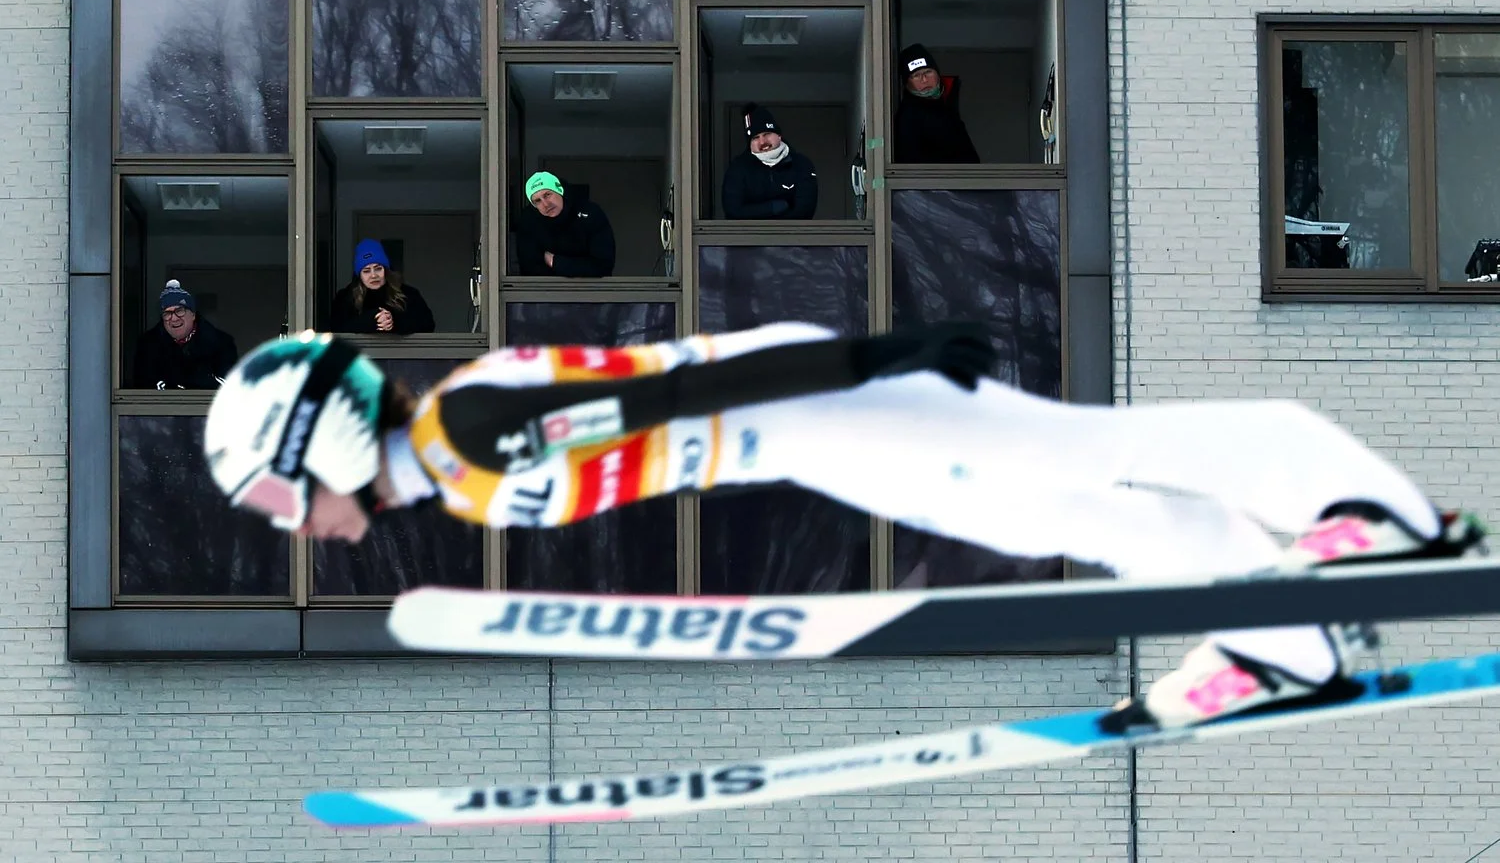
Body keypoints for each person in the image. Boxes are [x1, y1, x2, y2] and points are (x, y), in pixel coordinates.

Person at [200, 322, 1486, 733]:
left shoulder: (472, 432)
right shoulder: (451, 472)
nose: (289, 526)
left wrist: (879, 356)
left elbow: (673, 392)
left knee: (1083, 459)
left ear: (321, 437)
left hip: (816, 405)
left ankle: (1381, 515)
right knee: (1069, 512)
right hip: (809, 444)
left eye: (273, 495)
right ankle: (1283, 644)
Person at [132, 279, 239, 389]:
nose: (173, 318)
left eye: (179, 311)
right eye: (167, 313)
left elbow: (228, 387)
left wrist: (191, 378)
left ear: (193, 315)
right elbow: (142, 387)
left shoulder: (221, 343)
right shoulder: (148, 345)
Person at [721, 104, 818, 220]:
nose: (762, 141)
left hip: (792, 237)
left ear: (779, 135)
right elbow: (733, 211)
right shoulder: (738, 168)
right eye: (755, 137)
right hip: (749, 237)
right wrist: (772, 208)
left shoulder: (801, 164)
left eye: (767, 134)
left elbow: (804, 212)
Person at [514, 171, 616, 277]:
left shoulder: (589, 212)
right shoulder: (529, 222)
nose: (545, 204)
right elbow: (530, 271)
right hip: (546, 292)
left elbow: (603, 266)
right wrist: (578, 266)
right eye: (537, 201)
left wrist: (555, 262)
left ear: (559, 190)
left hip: (591, 291)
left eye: (548, 194)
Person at [892, 43, 981, 164]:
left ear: (938, 75)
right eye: (916, 75)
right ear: (907, 84)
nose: (924, 79)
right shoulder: (908, 116)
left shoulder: (948, 108)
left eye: (928, 72)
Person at [329, 239, 436, 335]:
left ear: (386, 270)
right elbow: (336, 328)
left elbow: (427, 324)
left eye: (378, 268)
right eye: (366, 271)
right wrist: (372, 320)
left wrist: (393, 321)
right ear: (359, 275)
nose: (373, 275)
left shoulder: (408, 293)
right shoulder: (346, 297)